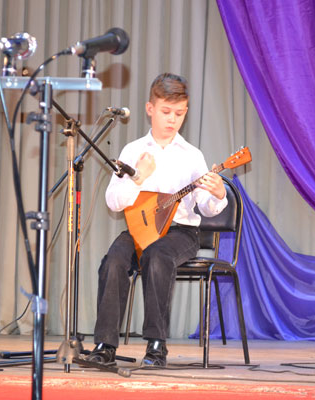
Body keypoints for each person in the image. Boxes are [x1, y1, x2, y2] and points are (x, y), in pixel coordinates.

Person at [88, 73, 228, 367]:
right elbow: (113, 201)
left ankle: (156, 345)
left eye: (179, 113)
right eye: (166, 111)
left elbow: (205, 207)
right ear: (150, 109)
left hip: (181, 233)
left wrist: (218, 195)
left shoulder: (192, 155)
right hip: (140, 229)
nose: (172, 119)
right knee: (113, 261)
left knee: (158, 255)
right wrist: (138, 179)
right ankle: (105, 345)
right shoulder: (133, 151)